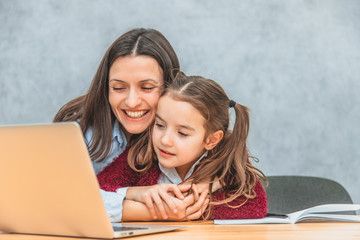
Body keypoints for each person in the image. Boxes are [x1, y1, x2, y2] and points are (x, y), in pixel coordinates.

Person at [54, 28, 206, 222]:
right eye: (118, 88)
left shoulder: (184, 128)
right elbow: (57, 198)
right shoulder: (79, 133)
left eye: (147, 88)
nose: (132, 102)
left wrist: (210, 183)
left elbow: (230, 164)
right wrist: (144, 207)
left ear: (170, 87)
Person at [98, 72, 268, 220]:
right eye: (160, 125)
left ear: (211, 140)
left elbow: (257, 206)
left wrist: (193, 204)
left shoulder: (225, 167)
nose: (165, 140)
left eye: (182, 133)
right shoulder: (140, 156)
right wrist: (136, 193)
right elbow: (92, 193)